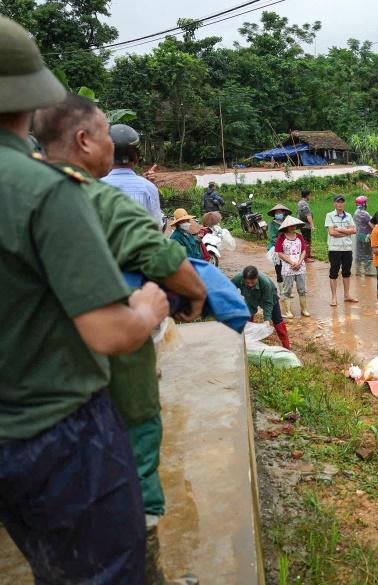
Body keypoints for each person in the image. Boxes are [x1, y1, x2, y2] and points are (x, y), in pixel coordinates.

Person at [0, 16, 168, 584]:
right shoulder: (44, 190)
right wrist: (148, 306)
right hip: (56, 429)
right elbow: (109, 332)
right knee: (103, 570)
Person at [33, 94, 206, 585]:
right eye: (103, 132)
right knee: (136, 448)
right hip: (115, 330)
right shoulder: (106, 196)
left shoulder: (25, 191)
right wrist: (192, 296)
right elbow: (160, 250)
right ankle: (144, 569)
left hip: (41, 380)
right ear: (86, 142)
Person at [101, 123, 163, 226]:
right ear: (136, 158)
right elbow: (157, 227)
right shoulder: (149, 188)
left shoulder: (95, 188)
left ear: (107, 156)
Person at [231, 266, 291, 349]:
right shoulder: (238, 278)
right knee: (246, 319)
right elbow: (229, 289)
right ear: (243, 279)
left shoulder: (265, 283)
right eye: (247, 283)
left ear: (257, 278)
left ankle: (287, 348)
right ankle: (247, 345)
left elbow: (268, 303)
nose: (250, 285)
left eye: (252, 282)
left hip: (269, 297)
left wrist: (267, 319)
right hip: (250, 298)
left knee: (278, 322)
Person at [325, 194, 358, 306]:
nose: (340, 204)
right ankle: (334, 297)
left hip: (347, 248)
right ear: (334, 203)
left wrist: (340, 230)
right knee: (333, 273)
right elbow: (332, 233)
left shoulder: (348, 215)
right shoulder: (329, 215)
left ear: (344, 203)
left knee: (346, 273)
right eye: (338, 202)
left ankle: (347, 295)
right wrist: (346, 232)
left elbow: (354, 230)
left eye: (342, 202)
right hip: (334, 248)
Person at [275, 216, 310, 318]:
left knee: (302, 289)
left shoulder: (299, 236)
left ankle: (304, 309)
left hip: (300, 267)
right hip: (287, 267)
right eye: (291, 225)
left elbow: (303, 250)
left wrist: (299, 261)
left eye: (294, 225)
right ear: (287, 226)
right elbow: (279, 252)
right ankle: (288, 312)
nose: (293, 226)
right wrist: (291, 262)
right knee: (287, 290)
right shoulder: (281, 237)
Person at [267, 202, 292, 283]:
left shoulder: (287, 222)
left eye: (280, 212)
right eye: (276, 213)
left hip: (287, 247)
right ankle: (282, 290)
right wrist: (282, 244)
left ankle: (287, 288)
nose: (278, 214)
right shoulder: (272, 224)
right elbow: (272, 237)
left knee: (288, 268)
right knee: (279, 268)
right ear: (274, 214)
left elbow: (291, 233)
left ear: (283, 212)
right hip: (276, 248)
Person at [353, 195, 375, 276]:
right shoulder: (365, 213)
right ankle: (367, 271)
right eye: (366, 202)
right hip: (366, 236)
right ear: (364, 204)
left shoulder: (355, 213)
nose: (367, 204)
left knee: (359, 253)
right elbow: (371, 224)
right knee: (367, 254)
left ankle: (358, 270)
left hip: (358, 236)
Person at [297, 188, 315, 262]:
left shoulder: (300, 202)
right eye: (309, 195)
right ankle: (305, 257)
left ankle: (308, 254)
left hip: (303, 224)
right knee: (306, 240)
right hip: (305, 225)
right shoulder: (304, 204)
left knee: (307, 240)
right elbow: (308, 215)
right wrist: (312, 225)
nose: (310, 197)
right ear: (307, 195)